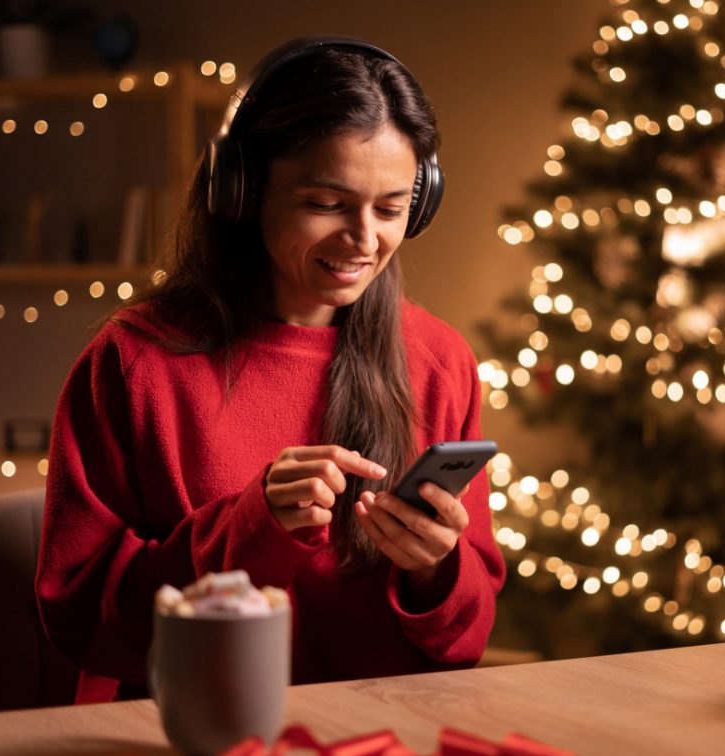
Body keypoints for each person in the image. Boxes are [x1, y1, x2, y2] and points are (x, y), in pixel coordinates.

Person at [35, 38, 505, 704]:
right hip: (188, 732)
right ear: (243, 191)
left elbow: (467, 637)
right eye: (326, 204)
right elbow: (77, 618)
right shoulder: (134, 362)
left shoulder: (439, 359)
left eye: (391, 208)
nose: (364, 241)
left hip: (380, 735)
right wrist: (251, 530)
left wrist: (437, 570)